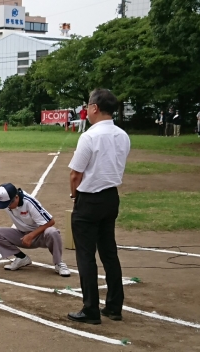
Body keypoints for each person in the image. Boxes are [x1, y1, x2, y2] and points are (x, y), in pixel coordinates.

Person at [68, 89, 130, 325]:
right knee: (109, 252)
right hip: (111, 197)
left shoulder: (90, 136)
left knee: (86, 255)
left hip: (89, 198)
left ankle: (90, 308)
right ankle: (114, 306)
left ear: (94, 108)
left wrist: (75, 197)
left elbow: (76, 174)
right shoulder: (123, 135)